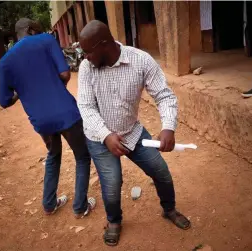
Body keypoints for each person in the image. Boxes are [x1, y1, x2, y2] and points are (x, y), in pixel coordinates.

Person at [77, 20, 191, 246]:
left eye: (88, 51)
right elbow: (86, 107)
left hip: (133, 132)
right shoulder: (86, 68)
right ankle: (114, 221)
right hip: (99, 138)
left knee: (161, 171)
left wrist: (168, 126)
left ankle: (169, 209)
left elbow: (164, 96)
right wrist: (106, 135)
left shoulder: (140, 60)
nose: (85, 57)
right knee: (112, 184)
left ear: (103, 44)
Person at [0, 18, 96, 218]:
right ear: (31, 30)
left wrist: (23, 91)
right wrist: (54, 84)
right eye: (37, 28)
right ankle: (80, 206)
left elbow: (4, 101)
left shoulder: (6, 61)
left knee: (53, 155)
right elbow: (65, 74)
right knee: (82, 156)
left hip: (41, 121)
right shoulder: (45, 39)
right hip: (66, 113)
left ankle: (50, 204)